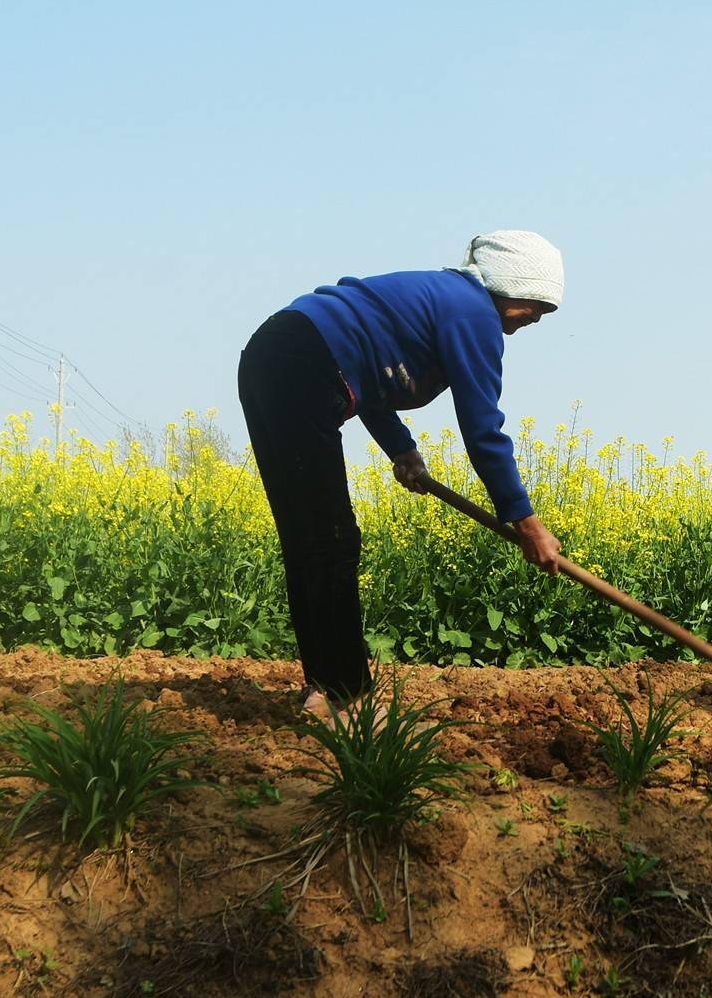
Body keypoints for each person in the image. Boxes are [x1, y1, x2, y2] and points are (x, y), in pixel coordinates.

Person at [237, 230, 566, 721]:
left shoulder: (446, 299)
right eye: (536, 304)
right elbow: (483, 429)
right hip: (301, 365)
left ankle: (325, 688)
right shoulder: (473, 311)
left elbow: (366, 370)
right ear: (510, 283)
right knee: (328, 540)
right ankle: (345, 694)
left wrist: (402, 449)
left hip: (272, 356)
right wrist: (526, 521)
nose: (536, 317)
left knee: (312, 540)